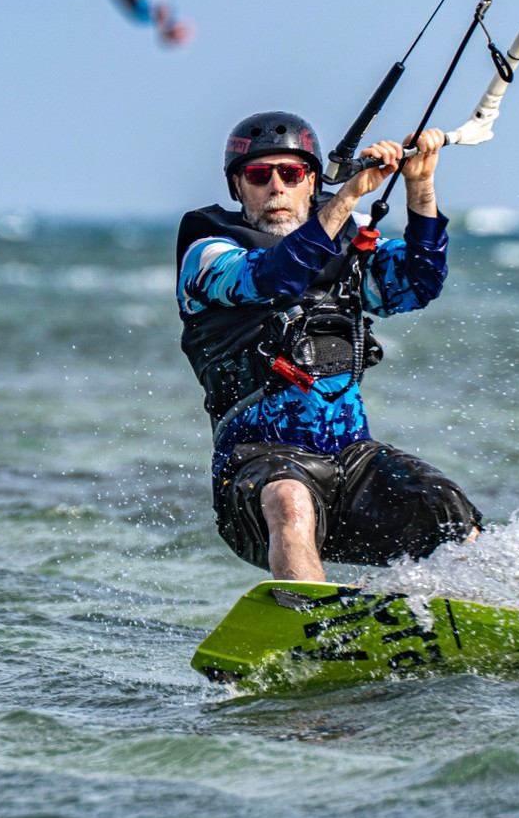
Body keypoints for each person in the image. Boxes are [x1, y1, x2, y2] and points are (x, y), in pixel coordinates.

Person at [175, 112, 481, 581]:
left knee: (444, 505)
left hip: (349, 465)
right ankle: (307, 617)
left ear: (312, 180)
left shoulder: (349, 244)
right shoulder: (208, 253)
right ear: (237, 186)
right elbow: (274, 277)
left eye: (291, 173)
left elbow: (418, 282)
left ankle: (470, 612)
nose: (276, 187)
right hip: (255, 473)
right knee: (290, 499)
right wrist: (348, 197)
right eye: (258, 175)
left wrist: (419, 184)